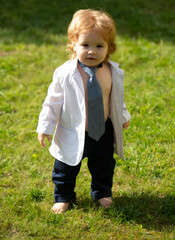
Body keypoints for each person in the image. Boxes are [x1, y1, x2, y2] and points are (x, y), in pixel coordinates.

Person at [37, 9, 130, 214]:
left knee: (104, 166)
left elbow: (115, 99)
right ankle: (63, 196)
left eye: (99, 46)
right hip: (73, 130)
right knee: (65, 168)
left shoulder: (112, 72)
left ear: (109, 48)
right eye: (85, 45)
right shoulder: (65, 74)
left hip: (102, 132)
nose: (91, 51)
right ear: (73, 45)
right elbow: (52, 102)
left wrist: (122, 116)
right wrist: (45, 127)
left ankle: (101, 191)